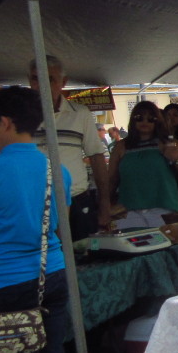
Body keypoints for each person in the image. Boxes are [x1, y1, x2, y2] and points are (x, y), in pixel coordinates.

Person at [0, 86, 73, 353]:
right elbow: (59, 223)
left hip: (1, 282)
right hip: (51, 275)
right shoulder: (57, 171)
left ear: (5, 122)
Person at [29, 55, 111, 240]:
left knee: (84, 258)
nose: (42, 83)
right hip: (36, 202)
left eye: (50, 78)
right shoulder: (20, 118)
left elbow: (96, 156)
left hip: (77, 199)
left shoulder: (79, 114)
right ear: (29, 80)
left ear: (63, 82)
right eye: (36, 78)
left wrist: (104, 203)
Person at [108, 102, 178, 229]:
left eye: (151, 118)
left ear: (158, 121)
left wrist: (176, 159)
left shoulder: (169, 143)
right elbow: (111, 181)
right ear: (133, 120)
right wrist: (105, 206)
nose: (145, 121)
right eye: (139, 117)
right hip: (129, 211)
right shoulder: (121, 147)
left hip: (163, 209)